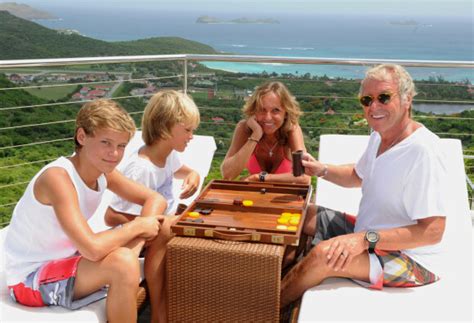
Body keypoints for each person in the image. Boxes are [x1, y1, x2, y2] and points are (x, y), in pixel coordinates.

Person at [280, 64, 448, 308]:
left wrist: (362, 240)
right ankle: (276, 273)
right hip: (368, 233)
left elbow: (433, 231)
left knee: (322, 256)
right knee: (300, 213)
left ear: (407, 98)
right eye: (367, 100)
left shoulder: (422, 152)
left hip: (410, 258)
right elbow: (357, 175)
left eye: (383, 97)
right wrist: (322, 169)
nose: (374, 107)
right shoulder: (380, 135)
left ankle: (266, 310)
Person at [4, 99, 168, 323]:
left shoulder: (103, 172)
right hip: (29, 280)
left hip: (67, 261)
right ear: (82, 137)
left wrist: (136, 242)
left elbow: (154, 198)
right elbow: (91, 249)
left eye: (121, 146)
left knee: (164, 227)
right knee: (122, 263)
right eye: (106, 142)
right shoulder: (58, 178)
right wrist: (137, 227)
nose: (114, 154)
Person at [104, 90, 200, 320]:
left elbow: (181, 170)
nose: (191, 137)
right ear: (166, 128)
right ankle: (160, 311)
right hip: (134, 240)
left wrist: (194, 174)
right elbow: (111, 215)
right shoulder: (142, 169)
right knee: (166, 229)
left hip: (158, 227)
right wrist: (158, 222)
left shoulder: (168, 155)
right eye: (187, 130)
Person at [221, 81, 310, 184]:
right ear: (254, 110)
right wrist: (256, 135)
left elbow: (304, 177)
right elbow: (227, 174)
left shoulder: (291, 130)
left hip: (283, 198)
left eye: (275, 110)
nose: (268, 117)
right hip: (254, 198)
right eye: (262, 110)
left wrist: (260, 178)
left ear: (286, 113)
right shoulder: (244, 128)